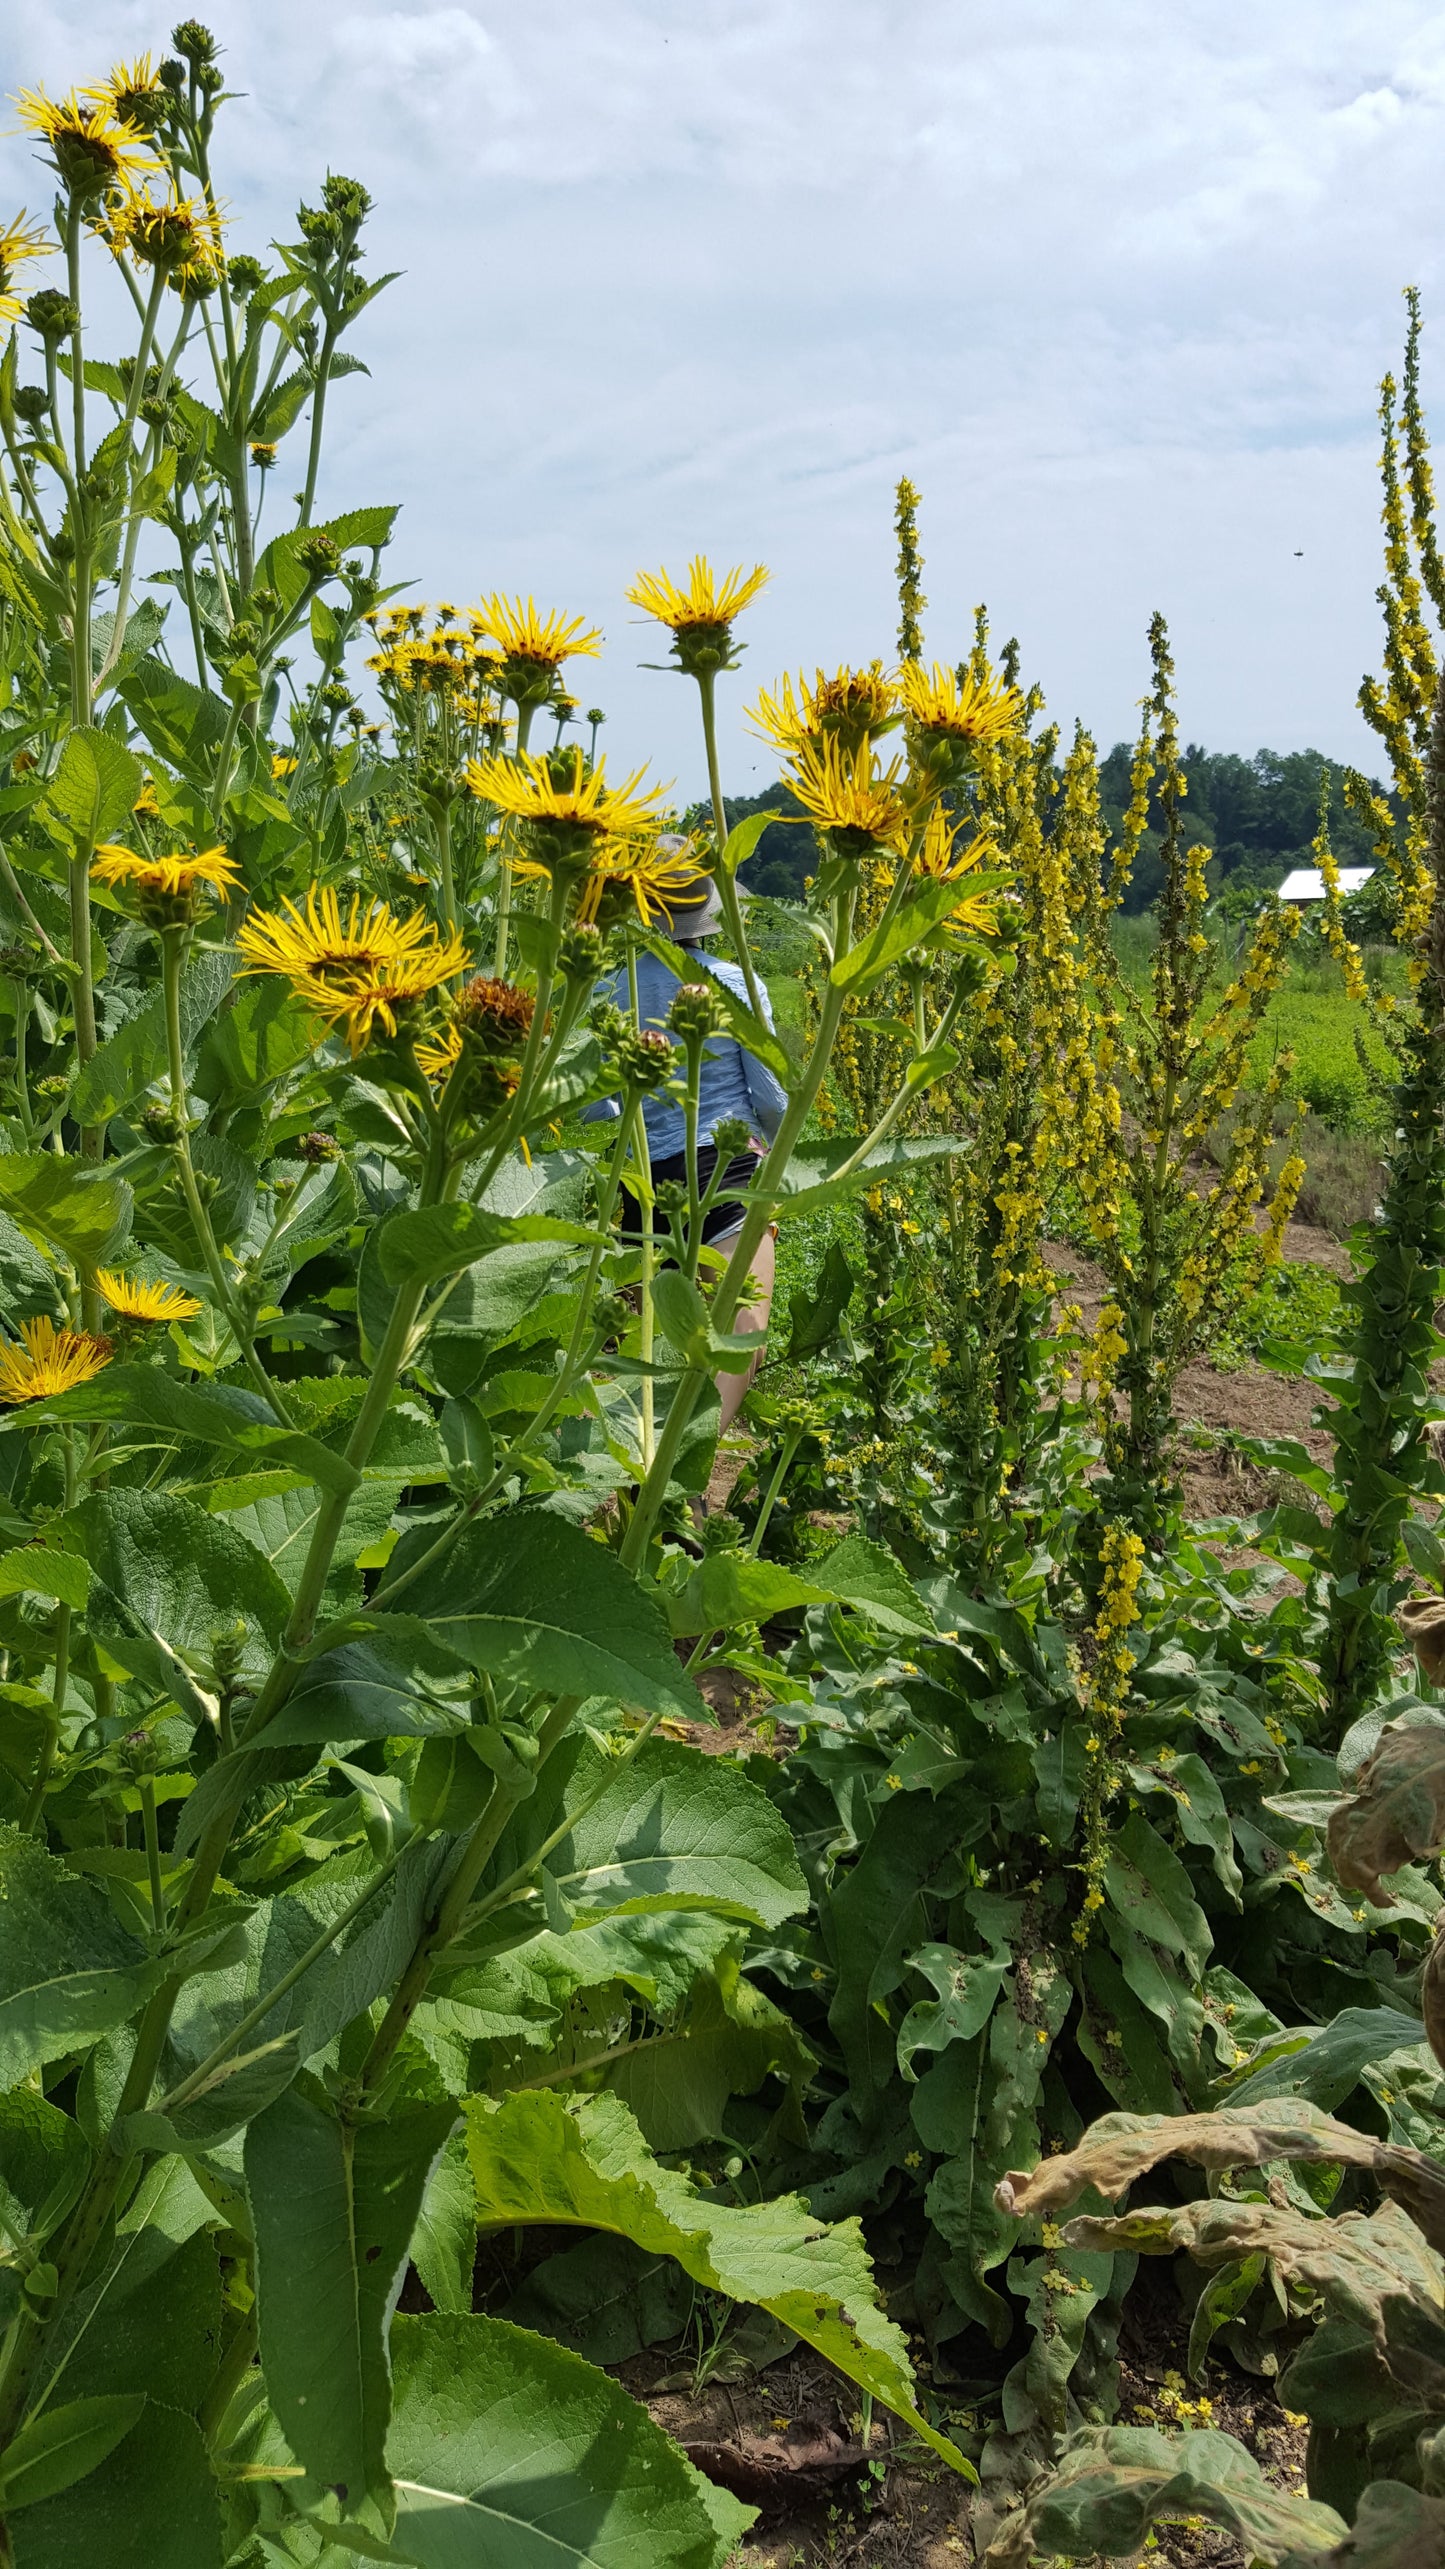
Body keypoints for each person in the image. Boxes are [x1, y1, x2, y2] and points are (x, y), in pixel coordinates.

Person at [586, 852, 786, 1435]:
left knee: (638, 1340)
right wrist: (775, 1160)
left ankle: (629, 1459)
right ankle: (691, 1463)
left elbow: (596, 1105)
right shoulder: (734, 983)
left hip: (646, 1174)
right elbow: (772, 1096)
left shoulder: (612, 988)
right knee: (741, 1331)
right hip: (727, 1166)